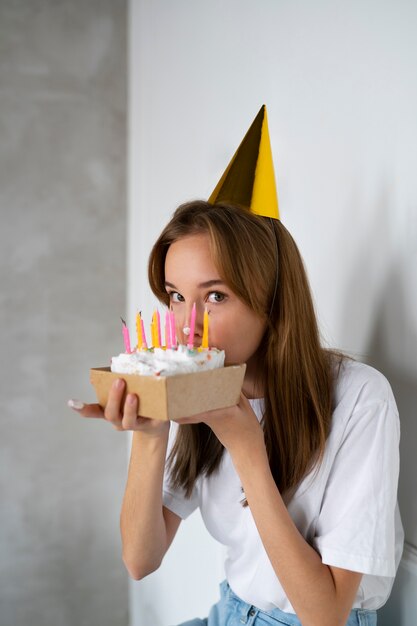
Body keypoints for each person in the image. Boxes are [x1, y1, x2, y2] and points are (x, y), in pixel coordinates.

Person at [69, 107, 403, 625]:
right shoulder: (204, 386)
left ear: (271, 301)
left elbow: (325, 615)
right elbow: (139, 560)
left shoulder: (360, 398)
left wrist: (247, 447)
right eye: (177, 296)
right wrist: (151, 433)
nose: (186, 326)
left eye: (216, 296)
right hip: (229, 611)